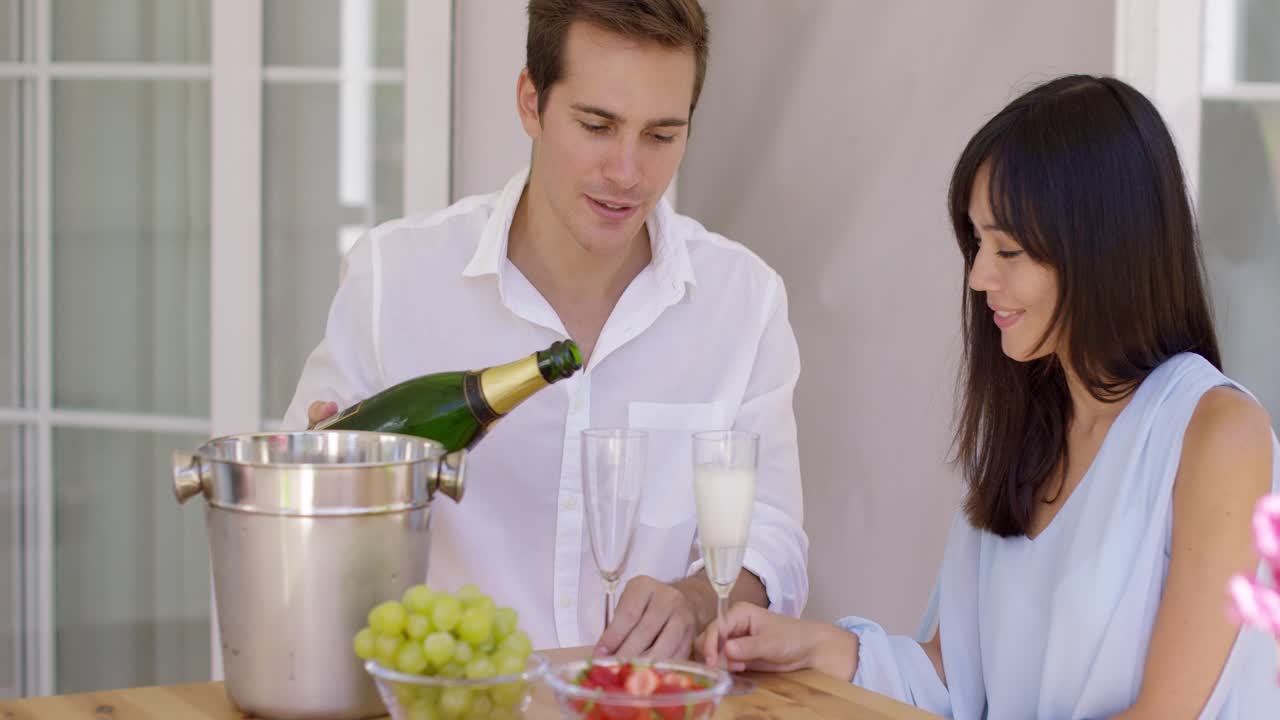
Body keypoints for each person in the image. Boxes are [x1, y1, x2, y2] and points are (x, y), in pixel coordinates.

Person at [696, 74, 1280, 717]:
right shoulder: (1031, 429)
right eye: (977, 243)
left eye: (1010, 248)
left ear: (1102, 250)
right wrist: (809, 647)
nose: (979, 277)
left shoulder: (1218, 436)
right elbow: (958, 682)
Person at [284, 0, 808, 659]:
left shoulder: (744, 299)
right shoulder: (394, 277)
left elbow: (774, 537)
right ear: (531, 102)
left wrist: (698, 598)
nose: (627, 172)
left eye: (661, 135)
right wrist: (321, 475)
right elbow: (303, 507)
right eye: (597, 125)